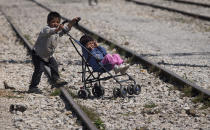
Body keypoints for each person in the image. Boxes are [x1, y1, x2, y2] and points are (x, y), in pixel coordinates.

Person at [28, 11, 80, 93]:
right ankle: (33, 87)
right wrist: (58, 28)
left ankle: (56, 80)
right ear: (48, 22)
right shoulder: (46, 29)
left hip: (48, 56)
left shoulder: (58, 31)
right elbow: (52, 31)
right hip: (38, 55)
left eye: (57, 22)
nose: (55, 23)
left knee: (54, 65)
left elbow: (66, 29)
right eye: (53, 22)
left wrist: (72, 22)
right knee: (39, 70)